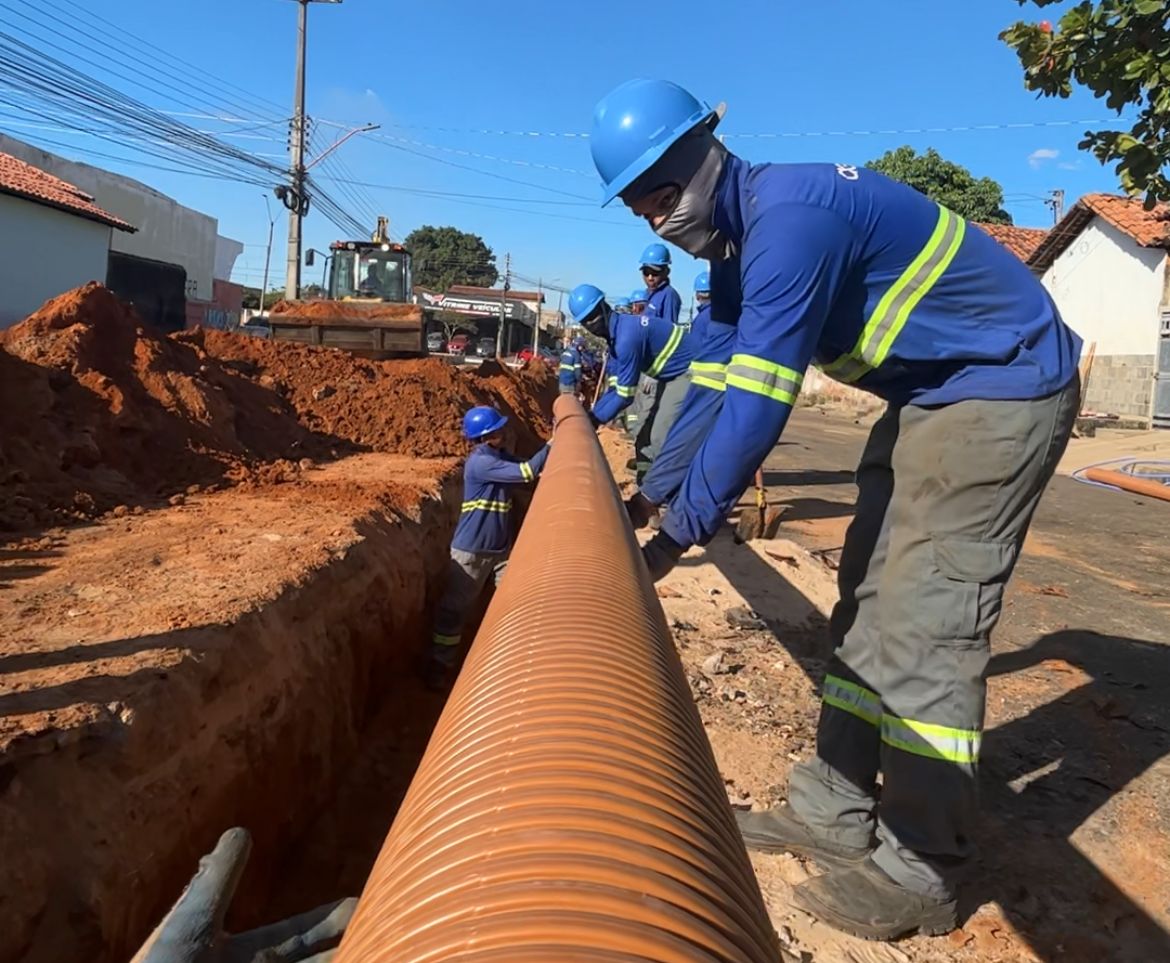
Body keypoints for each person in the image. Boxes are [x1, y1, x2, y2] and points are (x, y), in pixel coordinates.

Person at [588, 78, 1082, 940]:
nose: (657, 222)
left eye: (662, 196)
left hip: (1000, 387)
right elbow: (709, 382)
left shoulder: (790, 224)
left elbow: (756, 410)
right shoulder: (736, 254)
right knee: (863, 599)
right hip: (926, 396)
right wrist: (655, 494)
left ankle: (924, 865)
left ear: (704, 154)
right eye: (639, 210)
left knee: (928, 619)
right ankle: (835, 802)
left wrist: (677, 536)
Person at [426, 405, 550, 690]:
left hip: (499, 551)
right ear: (486, 436)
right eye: (498, 429)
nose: (504, 432)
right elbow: (528, 472)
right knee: (455, 611)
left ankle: (501, 668)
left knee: (511, 608)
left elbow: (529, 473)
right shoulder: (481, 463)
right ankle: (439, 666)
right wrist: (554, 443)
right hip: (471, 552)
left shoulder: (498, 457)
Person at [626, 265, 739, 526]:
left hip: (704, 387)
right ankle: (663, 496)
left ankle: (666, 499)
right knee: (681, 440)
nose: (701, 300)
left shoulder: (702, 314)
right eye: (700, 296)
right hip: (701, 384)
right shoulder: (711, 316)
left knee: (672, 438)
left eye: (704, 296)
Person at [568, 282, 699, 484]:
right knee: (644, 438)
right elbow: (615, 388)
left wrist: (593, 421)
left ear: (604, 306)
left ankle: (669, 494)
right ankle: (645, 484)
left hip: (689, 372)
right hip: (668, 376)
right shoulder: (617, 336)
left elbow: (625, 395)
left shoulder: (627, 337)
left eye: (594, 316)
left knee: (659, 436)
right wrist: (591, 415)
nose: (592, 324)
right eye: (586, 322)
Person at [639, 242, 682, 324]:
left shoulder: (669, 295)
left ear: (667, 272)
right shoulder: (647, 294)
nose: (650, 278)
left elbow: (668, 330)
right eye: (646, 272)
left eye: (655, 273)